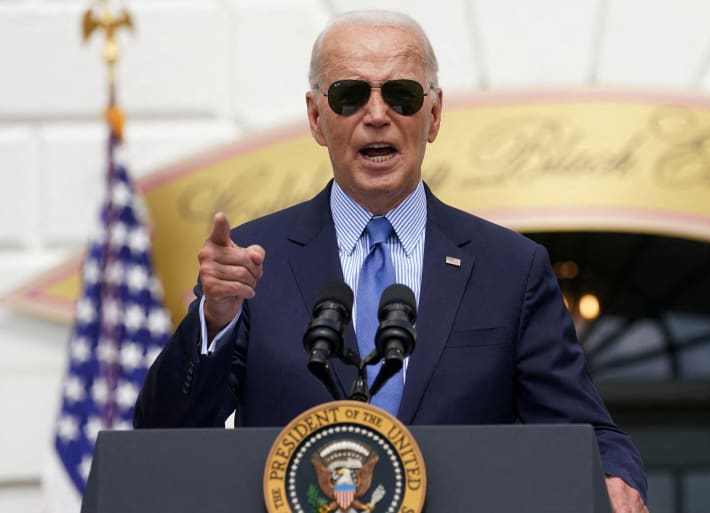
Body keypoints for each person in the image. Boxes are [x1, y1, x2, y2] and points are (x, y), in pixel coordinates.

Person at [134, 9, 648, 512]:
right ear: (316, 117)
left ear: (434, 115)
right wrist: (213, 321)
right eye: (350, 95)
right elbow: (163, 437)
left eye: (400, 95)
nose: (376, 115)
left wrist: (613, 473)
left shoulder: (510, 268)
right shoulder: (250, 264)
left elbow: (587, 431)